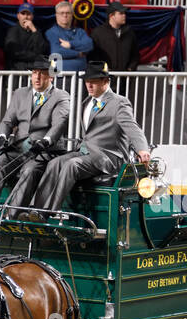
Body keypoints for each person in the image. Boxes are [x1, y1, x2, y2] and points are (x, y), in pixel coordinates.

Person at [31, 61, 151, 215]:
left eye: (94, 82)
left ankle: (49, 211)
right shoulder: (87, 102)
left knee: (72, 165)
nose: (89, 85)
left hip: (108, 157)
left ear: (106, 82)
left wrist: (142, 149)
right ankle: (35, 210)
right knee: (54, 163)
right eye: (87, 82)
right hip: (86, 152)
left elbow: (132, 127)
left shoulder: (119, 103)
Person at [0, 56, 70, 207]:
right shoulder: (20, 93)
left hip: (44, 152)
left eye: (42, 73)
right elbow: (7, 121)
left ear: (51, 76)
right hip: (18, 149)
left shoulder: (61, 96)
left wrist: (46, 141)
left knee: (29, 170)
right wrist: (2, 136)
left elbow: (59, 125)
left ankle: (13, 211)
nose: (37, 77)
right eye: (34, 72)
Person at [89, 1, 139, 78]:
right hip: (104, 78)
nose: (124, 15)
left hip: (125, 78)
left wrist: (130, 69)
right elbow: (93, 55)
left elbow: (135, 54)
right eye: (121, 13)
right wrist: (102, 69)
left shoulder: (130, 33)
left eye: (124, 13)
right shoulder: (98, 33)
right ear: (111, 16)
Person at [46, 0, 92, 74]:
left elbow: (89, 45)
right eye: (62, 13)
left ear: (72, 15)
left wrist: (70, 44)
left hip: (80, 75)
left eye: (68, 13)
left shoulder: (80, 32)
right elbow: (56, 52)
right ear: (56, 15)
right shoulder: (51, 32)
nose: (65, 15)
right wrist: (78, 53)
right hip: (60, 75)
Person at [3, 3, 49, 71]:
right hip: (16, 69)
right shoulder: (12, 31)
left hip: (33, 69)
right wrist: (36, 56)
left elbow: (42, 50)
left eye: (28, 14)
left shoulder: (37, 30)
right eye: (23, 14)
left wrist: (34, 30)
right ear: (18, 16)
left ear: (32, 16)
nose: (25, 17)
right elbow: (14, 53)